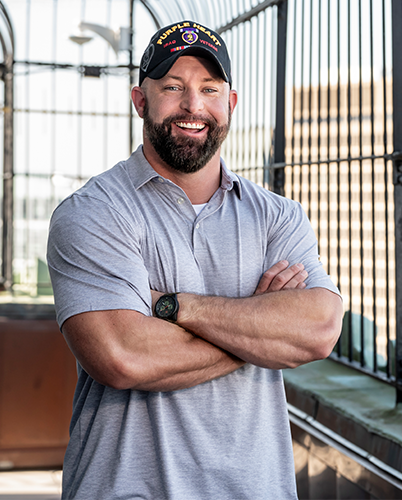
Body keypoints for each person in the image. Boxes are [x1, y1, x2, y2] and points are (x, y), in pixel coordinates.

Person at [47, 20, 342, 500]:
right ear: (140, 101)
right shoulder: (93, 212)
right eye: (173, 88)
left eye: (209, 88)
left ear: (231, 103)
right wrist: (259, 330)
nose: (193, 106)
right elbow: (122, 356)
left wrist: (173, 307)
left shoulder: (277, 216)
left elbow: (320, 330)